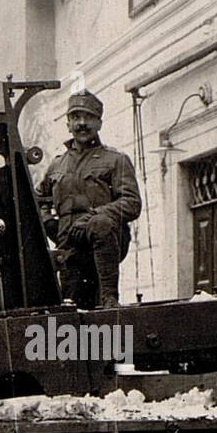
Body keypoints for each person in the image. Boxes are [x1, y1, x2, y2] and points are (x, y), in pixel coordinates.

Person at [37, 90, 142, 309]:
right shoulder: (57, 165)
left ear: (99, 123)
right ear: (68, 124)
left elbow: (132, 203)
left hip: (106, 242)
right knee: (74, 311)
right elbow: (38, 200)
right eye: (76, 117)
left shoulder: (115, 160)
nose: (82, 123)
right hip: (69, 245)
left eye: (88, 117)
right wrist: (48, 223)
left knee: (99, 223)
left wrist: (92, 216)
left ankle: (109, 299)